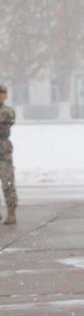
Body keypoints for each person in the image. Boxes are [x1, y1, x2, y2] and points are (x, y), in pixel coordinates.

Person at [0, 84, 17, 225]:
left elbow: (8, 121)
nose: (1, 95)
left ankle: (11, 212)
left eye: (3, 93)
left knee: (8, 182)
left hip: (3, 152)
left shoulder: (7, 111)